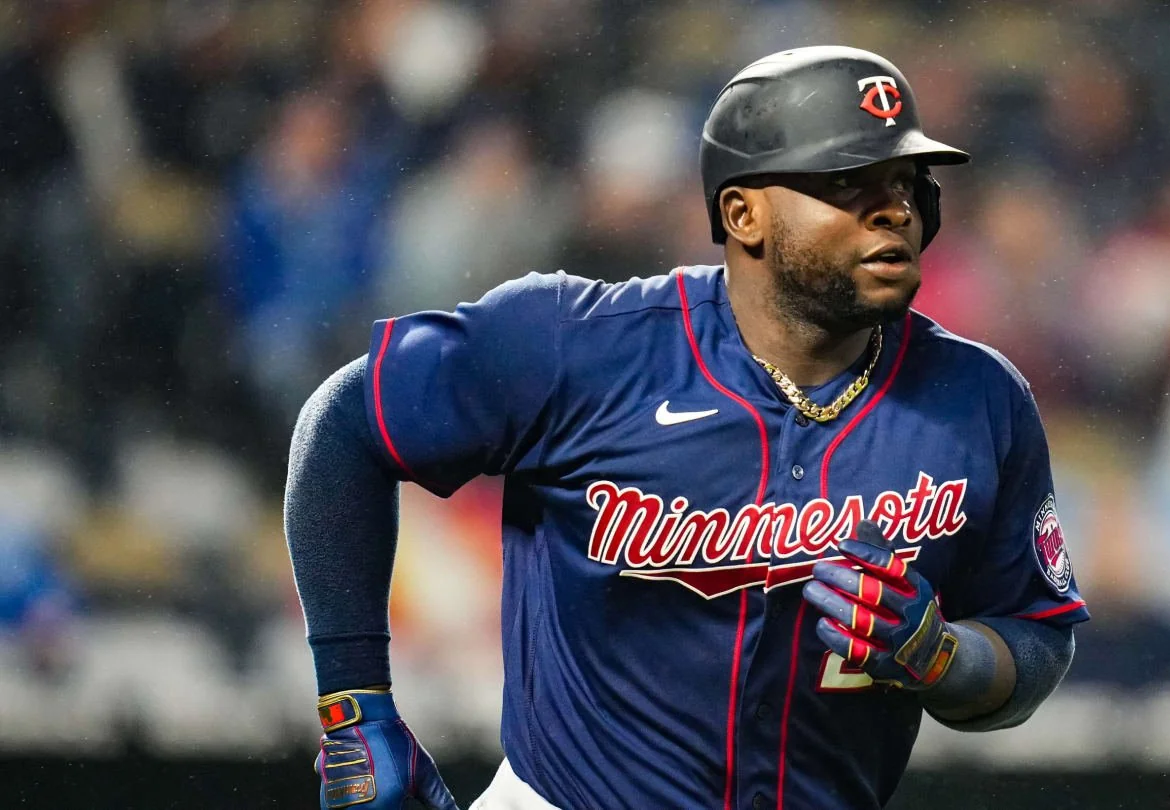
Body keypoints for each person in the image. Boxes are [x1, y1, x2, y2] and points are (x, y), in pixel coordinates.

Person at [285, 46, 1088, 810]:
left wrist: (946, 659)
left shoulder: (978, 397)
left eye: (910, 183)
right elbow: (345, 427)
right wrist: (356, 705)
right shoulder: (578, 344)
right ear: (744, 213)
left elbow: (1038, 639)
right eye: (850, 182)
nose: (896, 209)